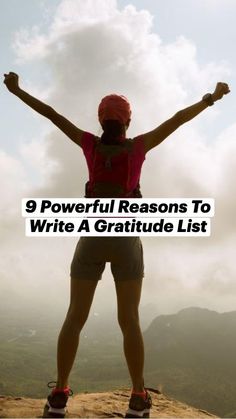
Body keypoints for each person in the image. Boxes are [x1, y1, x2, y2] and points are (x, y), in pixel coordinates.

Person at [3, 72, 230, 418]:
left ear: (101, 119)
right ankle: (138, 397)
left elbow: (50, 113)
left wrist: (17, 90)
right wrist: (210, 98)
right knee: (130, 320)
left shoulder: (90, 145)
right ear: (128, 121)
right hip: (125, 238)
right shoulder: (138, 146)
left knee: (74, 318)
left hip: (92, 236)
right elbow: (177, 120)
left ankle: (60, 395)